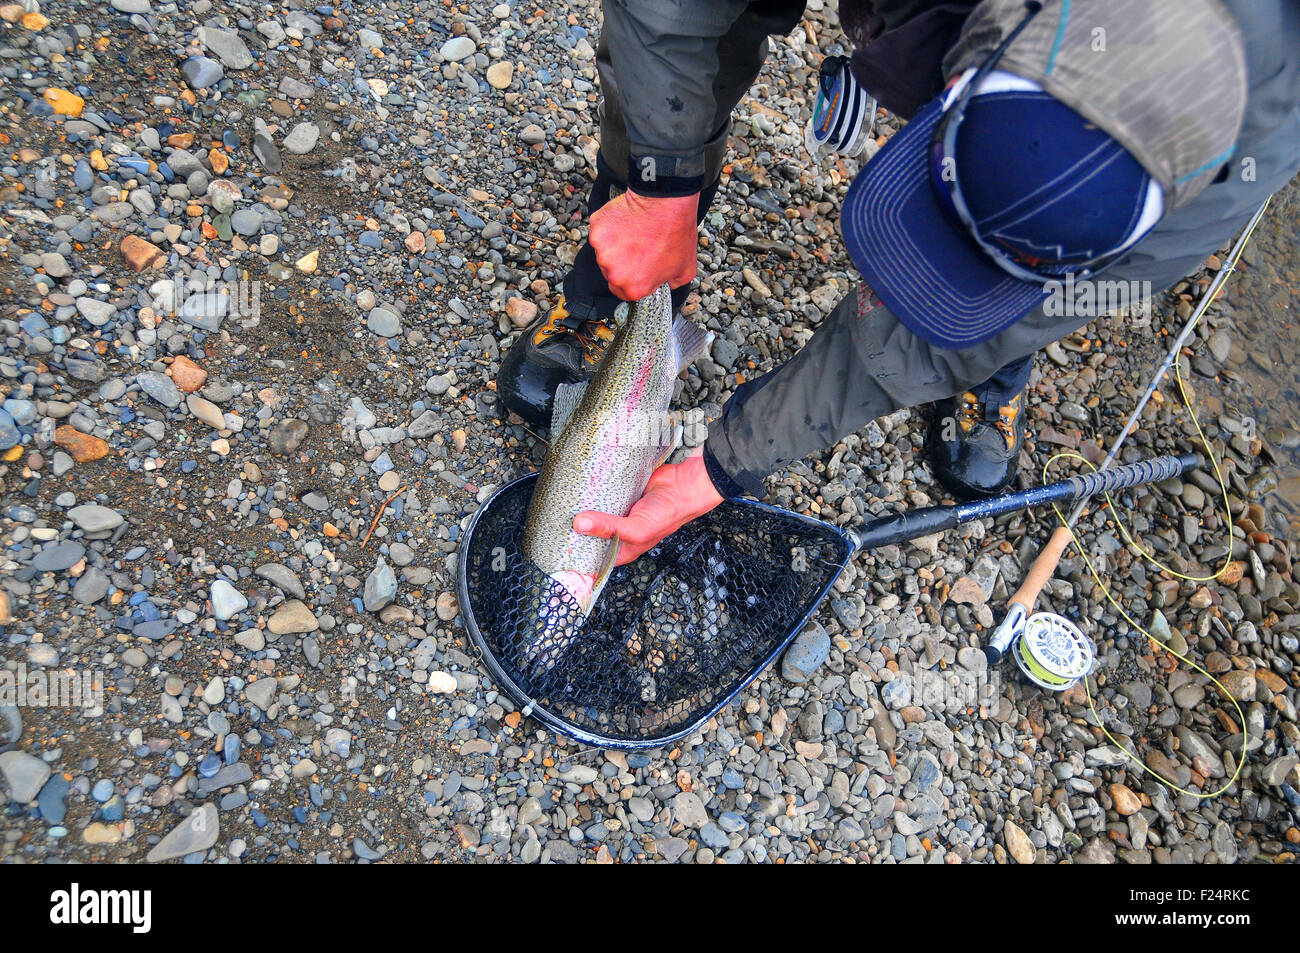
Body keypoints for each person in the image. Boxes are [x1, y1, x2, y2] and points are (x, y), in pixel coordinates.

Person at [496, 0, 1300, 567]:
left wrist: (724, 462)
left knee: (1032, 312)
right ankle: (631, 245)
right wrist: (662, 176)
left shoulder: (1244, 159)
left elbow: (1029, 308)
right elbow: (666, 13)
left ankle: (1002, 344)